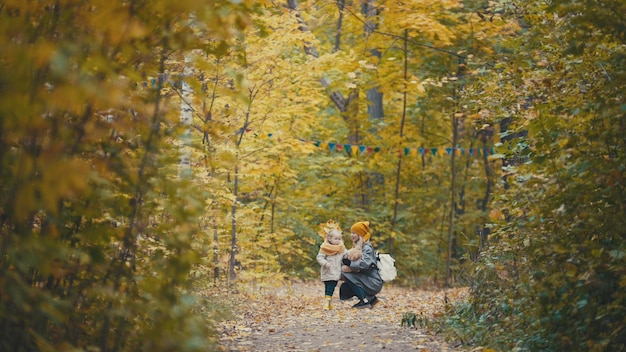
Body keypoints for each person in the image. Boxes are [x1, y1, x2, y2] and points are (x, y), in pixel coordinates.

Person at [340, 221, 383, 309]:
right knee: (345, 282)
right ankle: (371, 299)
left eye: (354, 233)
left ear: (360, 234)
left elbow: (365, 264)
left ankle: (365, 300)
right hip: (368, 280)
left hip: (373, 282)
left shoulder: (367, 247)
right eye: (351, 232)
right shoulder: (357, 246)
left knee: (347, 274)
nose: (351, 235)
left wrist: (349, 264)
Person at [316, 220, 347, 310]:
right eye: (335, 239)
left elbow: (346, 255)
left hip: (336, 271)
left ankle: (329, 302)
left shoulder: (341, 248)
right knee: (329, 286)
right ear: (329, 239)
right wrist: (325, 263)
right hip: (328, 270)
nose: (338, 241)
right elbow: (319, 257)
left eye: (339, 239)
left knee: (332, 286)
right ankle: (326, 302)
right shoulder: (325, 248)